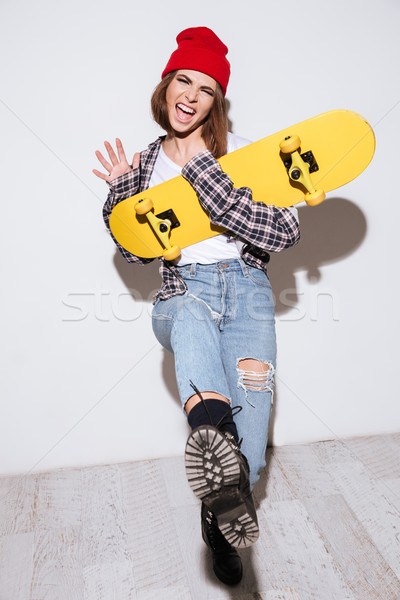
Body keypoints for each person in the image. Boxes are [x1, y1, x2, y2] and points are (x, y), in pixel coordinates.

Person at [94, 26, 300, 586]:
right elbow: (133, 254)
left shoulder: (249, 158)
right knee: (186, 318)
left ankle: (220, 521)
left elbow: (282, 232)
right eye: (182, 80)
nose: (190, 95)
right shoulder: (138, 166)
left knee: (250, 462)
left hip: (250, 296)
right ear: (165, 88)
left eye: (205, 89)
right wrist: (119, 198)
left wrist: (202, 169)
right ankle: (215, 432)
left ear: (216, 102)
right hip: (185, 291)